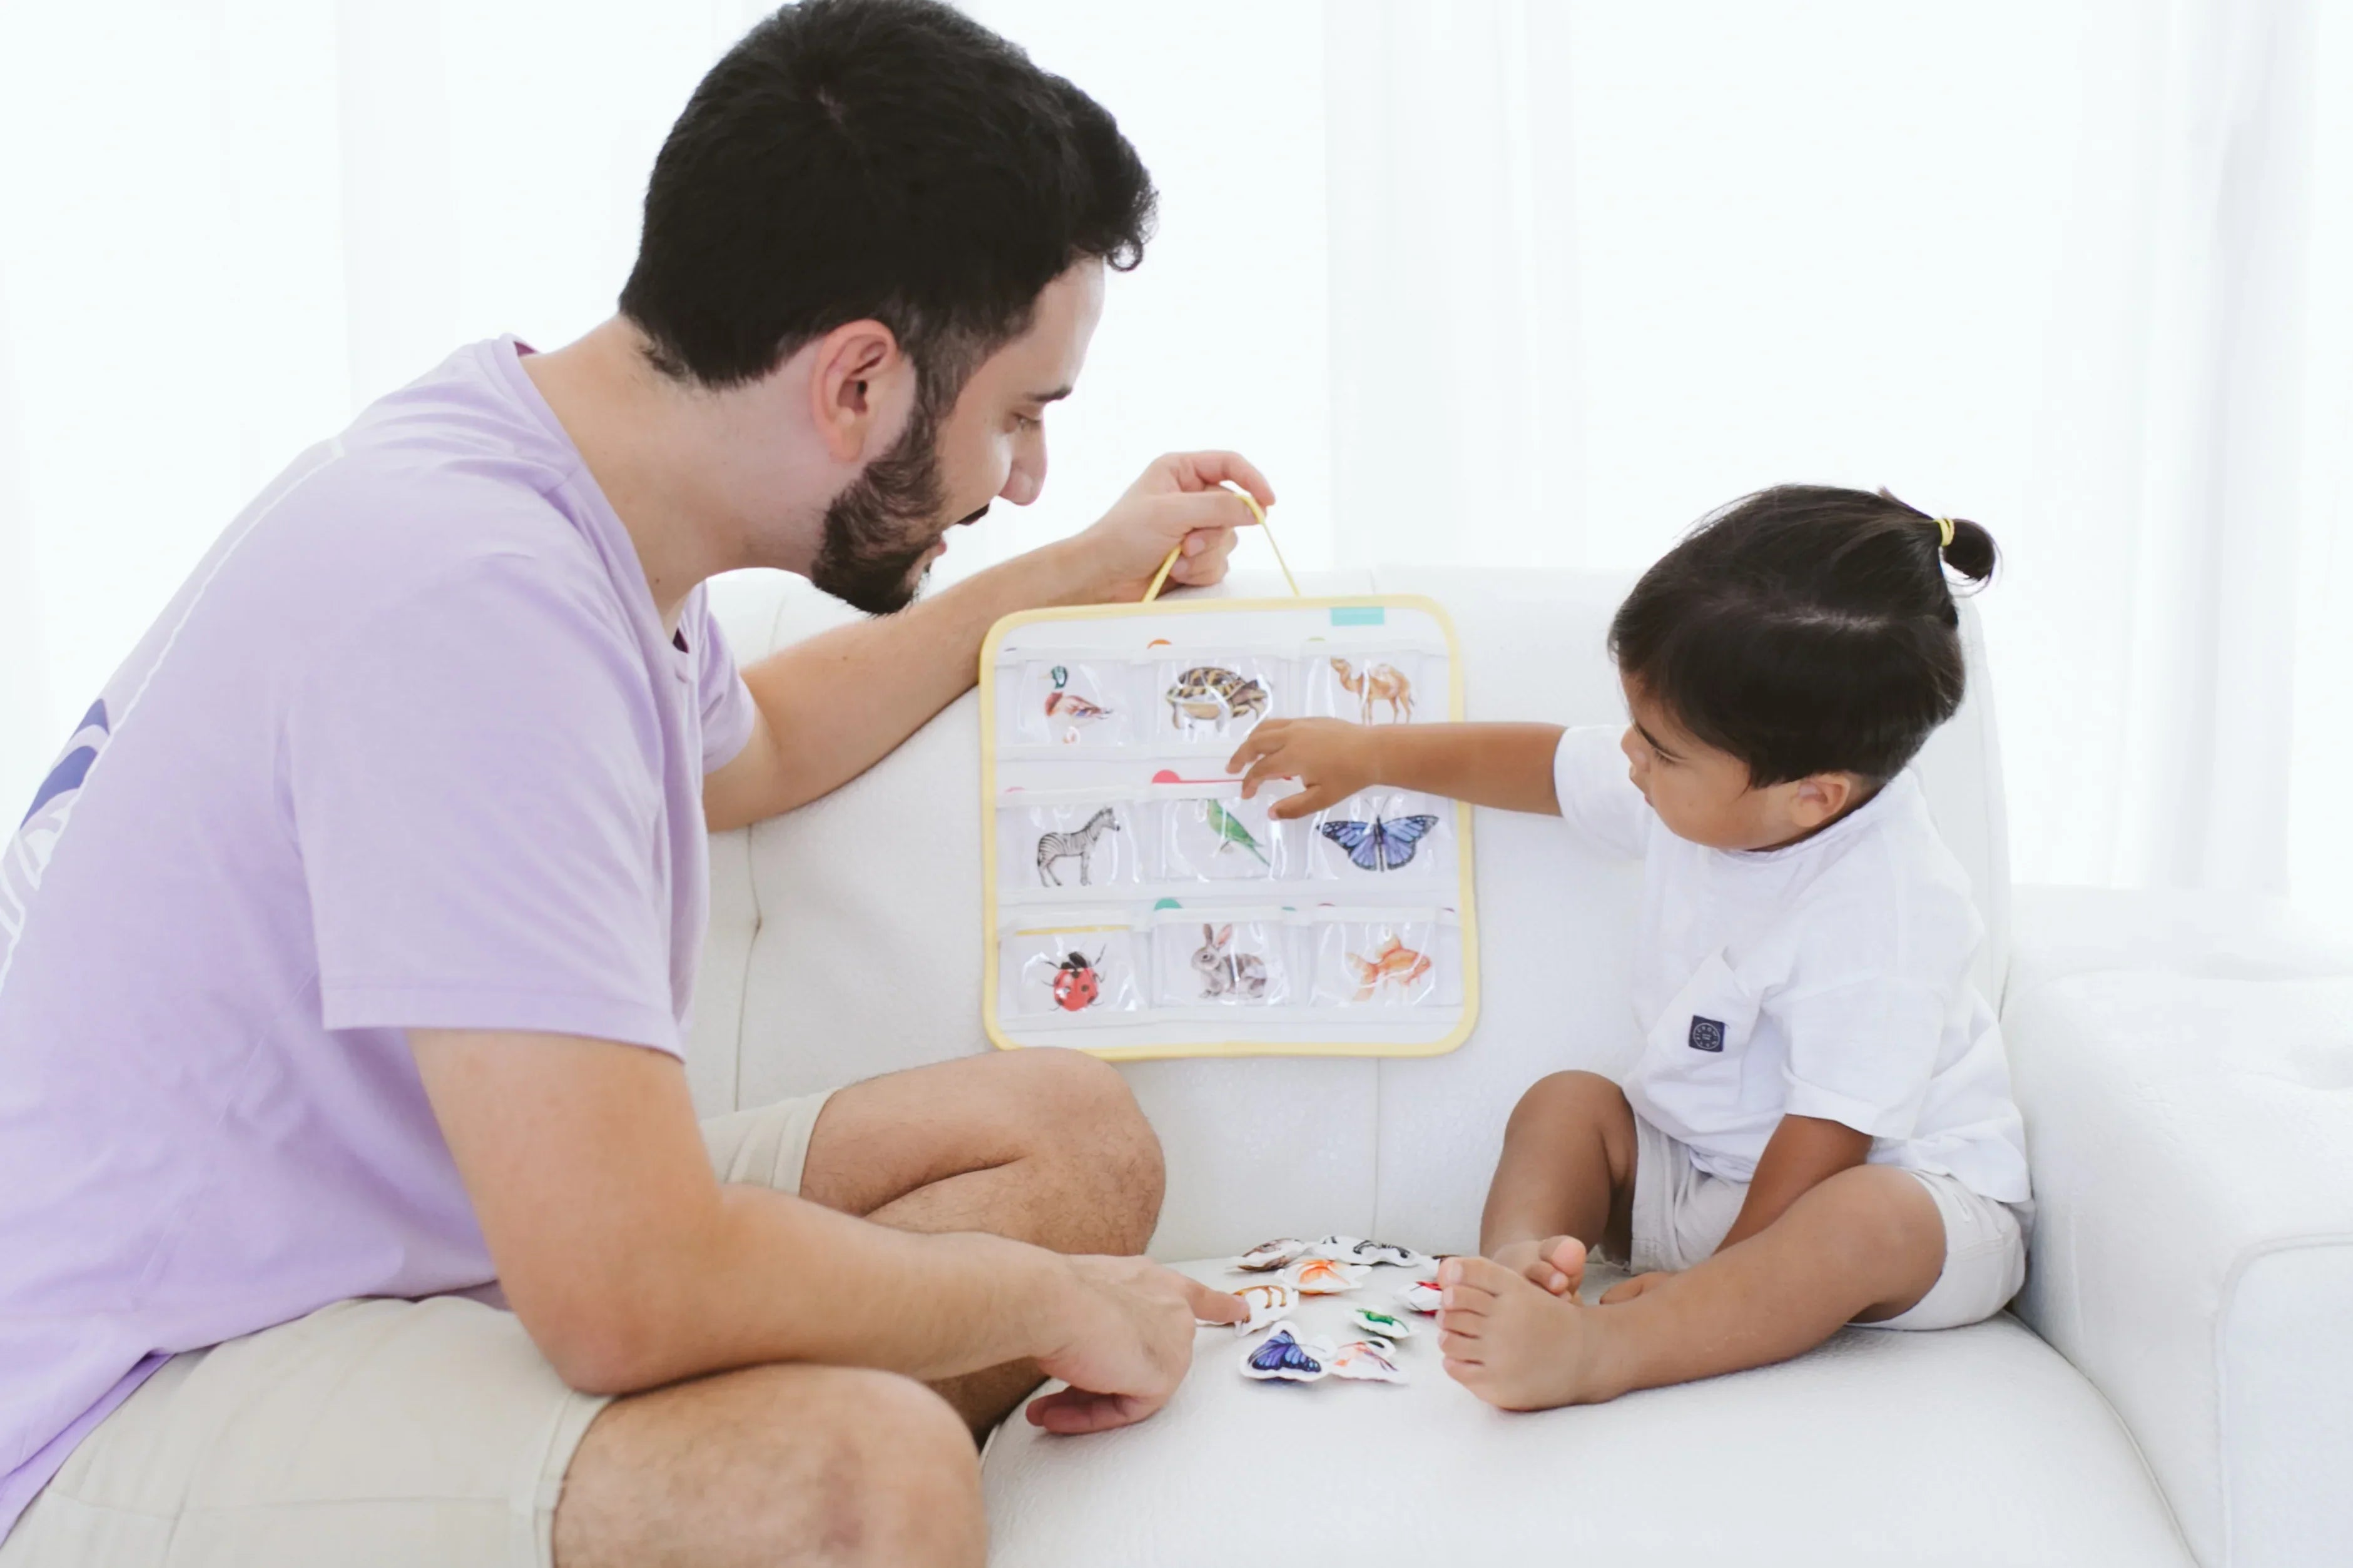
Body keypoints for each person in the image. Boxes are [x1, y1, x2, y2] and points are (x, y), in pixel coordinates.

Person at [0, 4, 1259, 1564]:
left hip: (427, 1223)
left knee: (1069, 1141)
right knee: (860, 1481)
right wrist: (1057, 1304)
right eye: (1017, 418)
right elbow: (623, 1289)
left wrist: (1078, 574)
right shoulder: (473, 600)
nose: (1024, 481)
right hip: (146, 1376)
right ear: (859, 382)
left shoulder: (563, 484)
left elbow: (762, 748)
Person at [1226, 485, 2033, 1411]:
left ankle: (1605, 1352)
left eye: (1657, 748)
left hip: (1900, 1211)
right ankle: (1523, 1280)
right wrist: (1372, 753)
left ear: (1814, 796)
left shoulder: (1887, 906)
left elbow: (1830, 1136)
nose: (1628, 759)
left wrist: (1710, 1292)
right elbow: (1538, 767)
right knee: (1569, 1106)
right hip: (1706, 1177)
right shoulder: (1704, 790)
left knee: (1861, 1219)